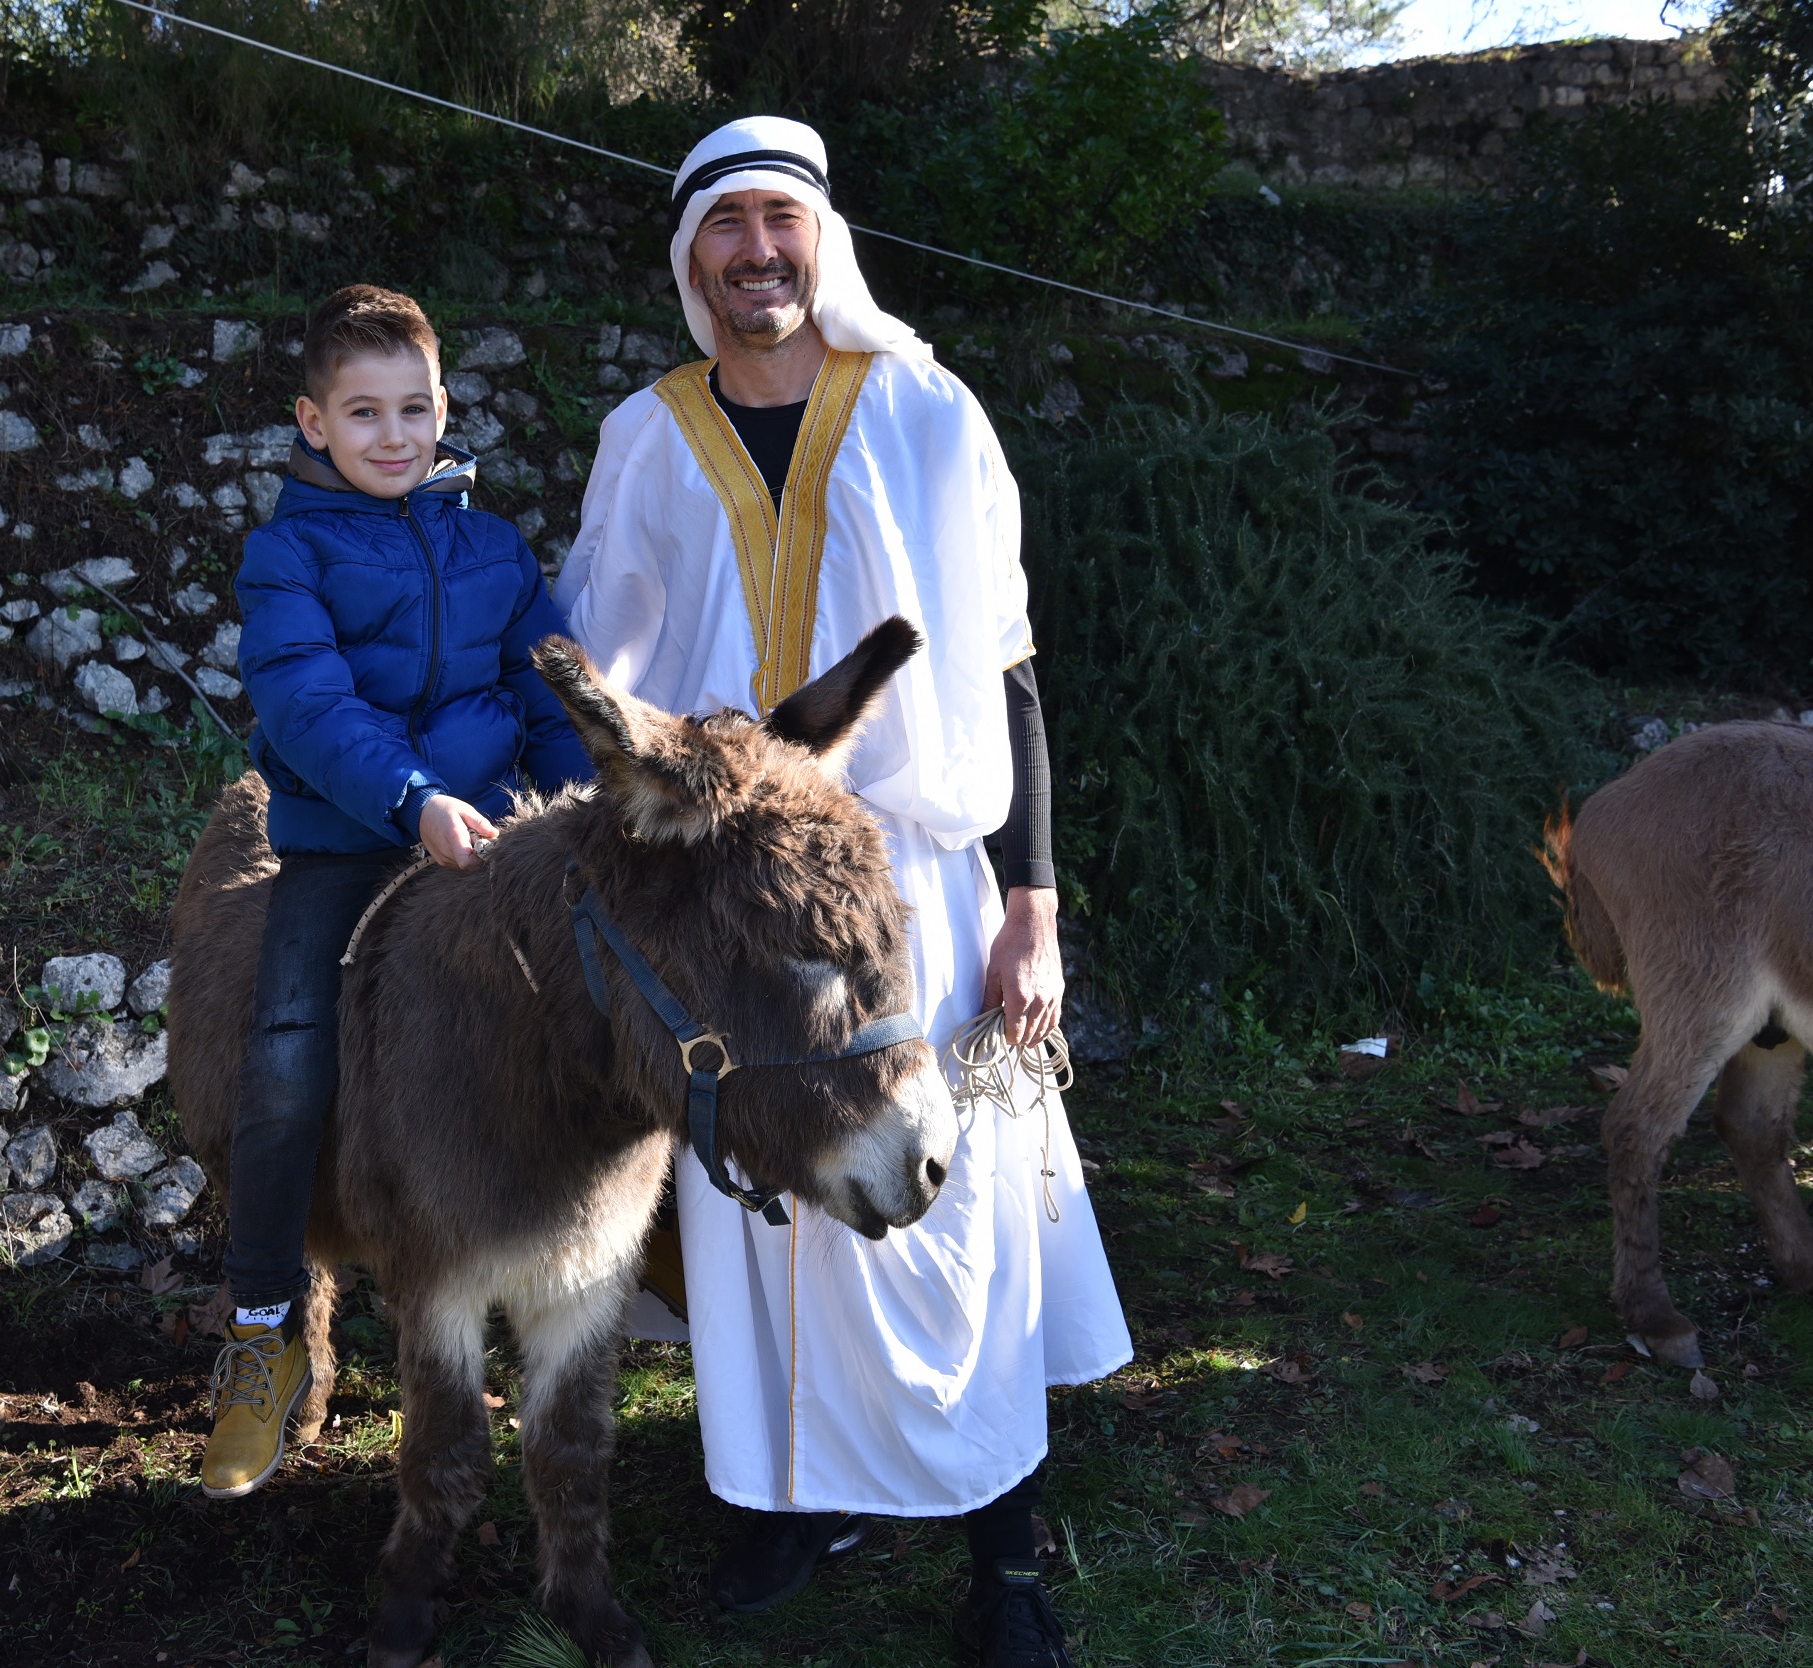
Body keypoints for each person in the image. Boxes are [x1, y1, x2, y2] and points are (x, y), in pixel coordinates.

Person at [557, 117, 1133, 1666]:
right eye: (726, 225)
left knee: (959, 1204)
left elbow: (1006, 670)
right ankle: (795, 1492)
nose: (758, 250)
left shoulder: (931, 414)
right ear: (691, 259)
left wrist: (1034, 907)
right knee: (756, 1211)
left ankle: (1004, 1557)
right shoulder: (644, 436)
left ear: (824, 241)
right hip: (727, 900)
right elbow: (605, 667)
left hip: (920, 884)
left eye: (781, 221)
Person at [202, 283, 592, 1499]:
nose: (393, 435)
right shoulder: (286, 554)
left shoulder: (492, 547)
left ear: (443, 408)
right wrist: (415, 799)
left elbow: (546, 689)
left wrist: (586, 798)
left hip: (496, 841)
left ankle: (614, 1274)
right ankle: (262, 1330)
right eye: (362, 412)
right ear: (312, 421)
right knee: (279, 1057)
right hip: (349, 844)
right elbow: (309, 709)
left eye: (413, 408)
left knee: (622, 1001)